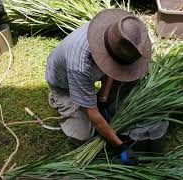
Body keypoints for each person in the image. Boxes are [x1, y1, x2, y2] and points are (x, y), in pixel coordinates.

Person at [45, 9, 168, 164]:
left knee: (130, 81)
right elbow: (95, 117)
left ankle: (96, 99)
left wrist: (103, 96)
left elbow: (112, 66)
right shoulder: (80, 65)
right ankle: (60, 99)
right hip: (65, 86)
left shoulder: (118, 34)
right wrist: (120, 147)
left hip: (91, 72)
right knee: (84, 135)